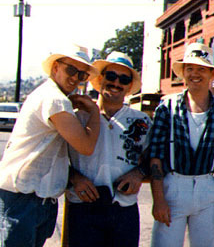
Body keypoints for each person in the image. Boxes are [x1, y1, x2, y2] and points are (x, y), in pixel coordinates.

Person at [0, 46, 100, 247]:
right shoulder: (55, 100)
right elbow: (86, 146)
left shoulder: (51, 96)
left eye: (82, 74)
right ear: (56, 68)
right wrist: (94, 112)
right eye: (71, 70)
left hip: (36, 198)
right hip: (23, 198)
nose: (76, 78)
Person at [149, 43, 214, 247]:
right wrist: (159, 200)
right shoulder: (167, 107)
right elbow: (155, 156)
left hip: (206, 190)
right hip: (173, 187)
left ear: (211, 74)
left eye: (201, 68)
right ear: (183, 73)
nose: (195, 74)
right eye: (189, 68)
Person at [66, 51, 152, 247]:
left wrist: (138, 173)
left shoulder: (142, 121)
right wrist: (74, 178)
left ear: (129, 86)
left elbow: (154, 158)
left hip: (123, 208)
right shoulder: (76, 117)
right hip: (82, 206)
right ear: (100, 79)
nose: (116, 83)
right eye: (111, 76)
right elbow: (56, 158)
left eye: (124, 79)